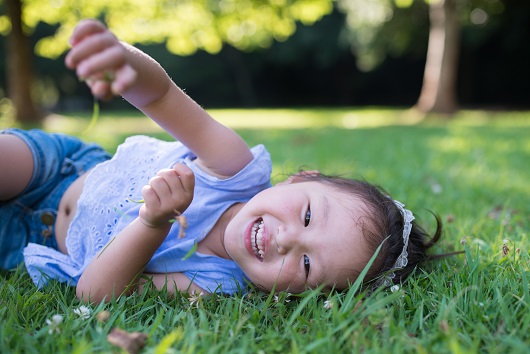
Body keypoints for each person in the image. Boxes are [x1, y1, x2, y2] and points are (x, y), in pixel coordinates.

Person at [0, 19, 441, 303]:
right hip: (60, 168)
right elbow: (161, 94)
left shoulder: (217, 283)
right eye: (307, 215)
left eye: (307, 265)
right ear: (300, 179)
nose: (286, 240)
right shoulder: (233, 167)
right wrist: (124, 62)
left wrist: (153, 226)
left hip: (32, 244)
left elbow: (95, 294)